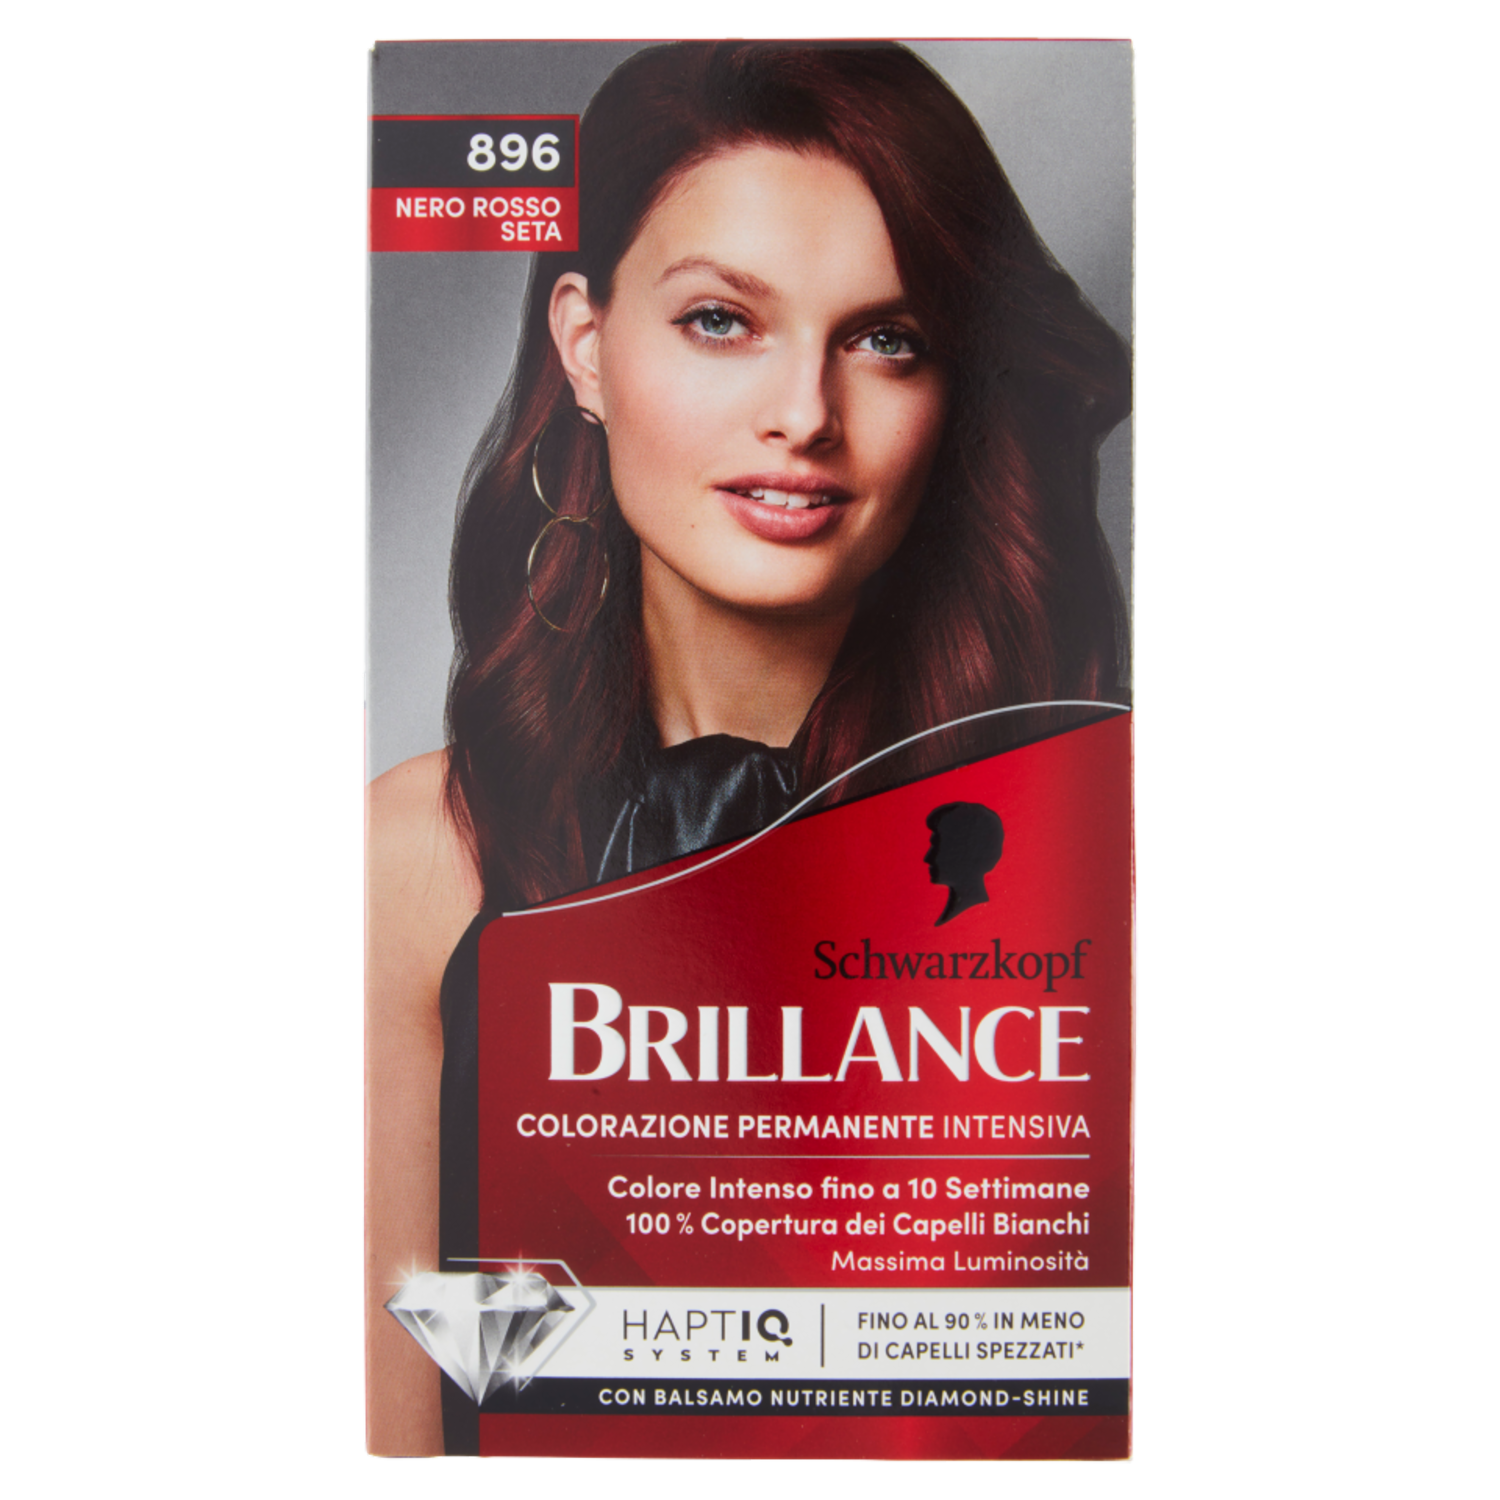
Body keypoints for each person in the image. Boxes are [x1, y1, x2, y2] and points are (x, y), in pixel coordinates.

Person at [366, 40, 1130, 1454]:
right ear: (586, 347)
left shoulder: (1094, 862)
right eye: (721, 320)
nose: (805, 417)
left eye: (886, 339)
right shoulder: (418, 862)